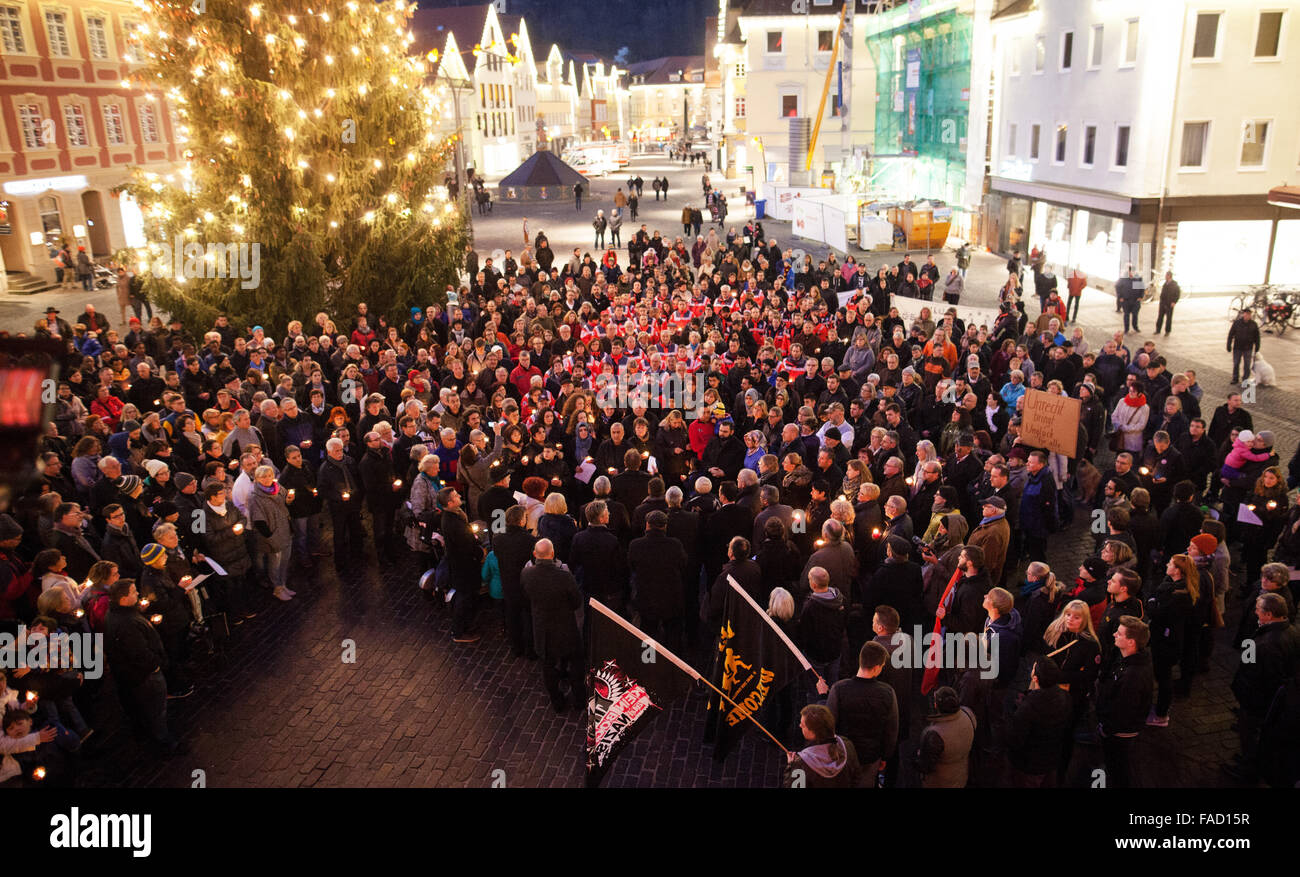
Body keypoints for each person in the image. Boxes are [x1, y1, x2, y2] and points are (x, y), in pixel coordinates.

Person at [103, 578, 183, 754]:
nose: (138, 593)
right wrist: (157, 665)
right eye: (133, 591)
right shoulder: (126, 624)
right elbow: (140, 653)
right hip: (145, 676)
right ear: (123, 598)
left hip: (135, 674)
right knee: (155, 710)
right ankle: (164, 741)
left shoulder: (118, 614)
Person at [1227, 592, 1299, 783]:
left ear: (1268, 615)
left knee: (1249, 734)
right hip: (1271, 699)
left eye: (1258, 610)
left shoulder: (1264, 644)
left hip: (1256, 700)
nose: (1255, 612)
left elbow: (1252, 672)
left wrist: (1242, 693)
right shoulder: (1292, 632)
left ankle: (1248, 770)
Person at [522, 538, 583, 713]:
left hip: (543, 630)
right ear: (553, 554)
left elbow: (527, 597)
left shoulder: (526, 574)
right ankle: (579, 699)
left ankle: (557, 701)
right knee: (576, 664)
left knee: (548, 667)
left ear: (535, 554)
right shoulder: (564, 576)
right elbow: (576, 601)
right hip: (566, 629)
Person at [826, 641, 898, 784]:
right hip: (871, 757)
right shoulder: (888, 693)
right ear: (877, 667)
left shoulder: (838, 689)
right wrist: (885, 756)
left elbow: (829, 724)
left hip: (844, 755)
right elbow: (891, 730)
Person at [1096, 615, 1153, 788]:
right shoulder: (1128, 661)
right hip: (1115, 728)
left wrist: (1106, 729)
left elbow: (1122, 712)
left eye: (1119, 634)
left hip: (1119, 733)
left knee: (1119, 768)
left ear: (1131, 642)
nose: (1114, 634)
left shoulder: (1132, 677)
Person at [1004, 658, 1071, 787]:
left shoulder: (1029, 706)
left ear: (1035, 678)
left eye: (1033, 668)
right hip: (1051, 761)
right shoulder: (1065, 697)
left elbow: (1015, 739)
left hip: (1029, 765)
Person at [782, 704, 866, 788]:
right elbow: (856, 777)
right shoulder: (847, 745)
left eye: (803, 725)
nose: (800, 725)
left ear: (813, 732)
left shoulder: (801, 764)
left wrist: (791, 766)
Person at [1227, 309, 1261, 386]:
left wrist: (1257, 346)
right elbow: (1231, 334)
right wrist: (1228, 345)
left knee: (1247, 365)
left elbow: (1257, 336)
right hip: (1237, 347)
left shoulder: (1253, 324)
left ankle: (1245, 380)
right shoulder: (1237, 323)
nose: (1247, 316)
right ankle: (1235, 378)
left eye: (1249, 314)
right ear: (1243, 314)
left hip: (1248, 348)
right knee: (1236, 363)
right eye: (1246, 314)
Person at [1155, 271, 1180, 335]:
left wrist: (1174, 302)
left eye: (1166, 275)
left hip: (1169, 304)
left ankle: (1167, 331)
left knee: (1169, 318)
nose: (1165, 277)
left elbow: (1177, 294)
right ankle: (1158, 330)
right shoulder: (1165, 283)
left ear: (1169, 276)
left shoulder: (1175, 284)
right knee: (1160, 317)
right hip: (1163, 303)